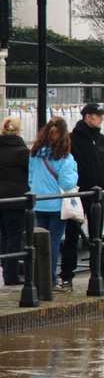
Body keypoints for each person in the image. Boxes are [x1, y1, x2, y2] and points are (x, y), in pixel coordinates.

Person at [62, 103, 104, 291]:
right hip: (77, 195)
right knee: (71, 235)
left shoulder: (102, 140)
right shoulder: (71, 140)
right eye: (98, 115)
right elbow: (65, 166)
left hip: (97, 195)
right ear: (87, 117)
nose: (101, 118)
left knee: (97, 236)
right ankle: (67, 277)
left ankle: (100, 274)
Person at [27, 117, 78, 292]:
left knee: (39, 242)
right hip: (56, 206)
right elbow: (67, 183)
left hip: (38, 204)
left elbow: (30, 178)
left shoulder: (35, 154)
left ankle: (37, 280)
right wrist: (75, 171)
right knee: (53, 243)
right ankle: (50, 282)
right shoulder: (65, 157)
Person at [0, 116, 29, 286]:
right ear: (18, 131)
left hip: (0, 199)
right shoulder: (21, 151)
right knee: (15, 236)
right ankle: (11, 275)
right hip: (16, 199)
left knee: (4, 235)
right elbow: (30, 173)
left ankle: (6, 268)